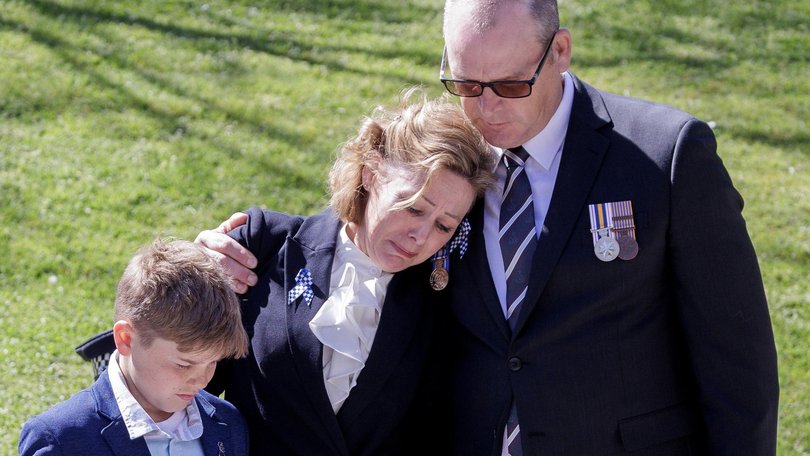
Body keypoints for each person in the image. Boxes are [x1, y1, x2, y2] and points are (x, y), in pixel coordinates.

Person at [198, 1, 780, 454]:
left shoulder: (664, 156)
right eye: (467, 85)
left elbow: (738, 363)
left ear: (559, 51)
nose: (486, 109)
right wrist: (222, 260)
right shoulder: (453, 167)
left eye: (510, 85)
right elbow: (371, 228)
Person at [200, 88, 495, 455]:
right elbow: (172, 380)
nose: (420, 237)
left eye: (444, 226)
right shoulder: (261, 247)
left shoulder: (444, 301)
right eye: (413, 207)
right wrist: (189, 281)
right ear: (371, 173)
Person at [18, 239, 250, 456]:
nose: (202, 381)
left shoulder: (228, 423)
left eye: (213, 362)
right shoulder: (61, 439)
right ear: (126, 339)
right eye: (183, 364)